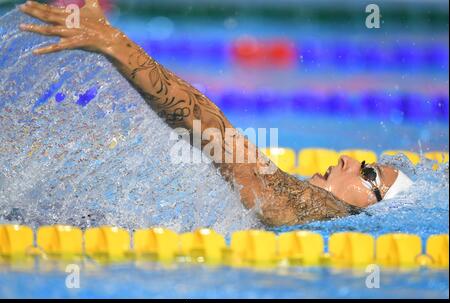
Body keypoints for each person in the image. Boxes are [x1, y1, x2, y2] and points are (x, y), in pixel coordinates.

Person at [18, 0, 413, 226]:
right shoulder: (299, 206)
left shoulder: (309, 209)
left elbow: (213, 130)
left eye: (368, 173)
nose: (346, 158)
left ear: (373, 210)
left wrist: (114, 44)